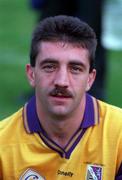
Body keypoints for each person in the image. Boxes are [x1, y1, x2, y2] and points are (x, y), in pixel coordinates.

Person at [0, 15, 122, 179]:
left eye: (75, 68)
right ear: (31, 74)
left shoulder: (119, 133)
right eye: (50, 67)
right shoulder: (3, 144)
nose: (62, 81)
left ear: (90, 79)